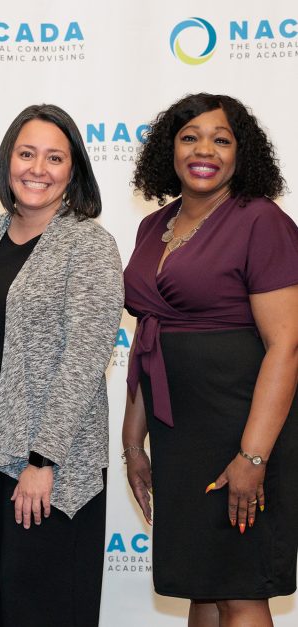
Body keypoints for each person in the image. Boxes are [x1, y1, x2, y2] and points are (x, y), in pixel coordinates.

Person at [0, 104, 123, 626]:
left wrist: (44, 461)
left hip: (46, 462)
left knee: (42, 606)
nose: (37, 169)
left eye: (54, 157)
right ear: (7, 161)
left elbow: (84, 360)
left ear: (73, 170)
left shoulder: (89, 244)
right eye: (26, 153)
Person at [122, 93, 298, 626]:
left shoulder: (261, 221)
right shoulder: (154, 227)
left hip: (244, 428)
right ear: (168, 151)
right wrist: (134, 441)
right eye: (190, 137)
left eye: (222, 139)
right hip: (179, 438)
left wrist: (252, 458)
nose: (206, 150)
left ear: (242, 154)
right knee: (201, 587)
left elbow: (287, 345)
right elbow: (147, 338)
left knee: (241, 591)